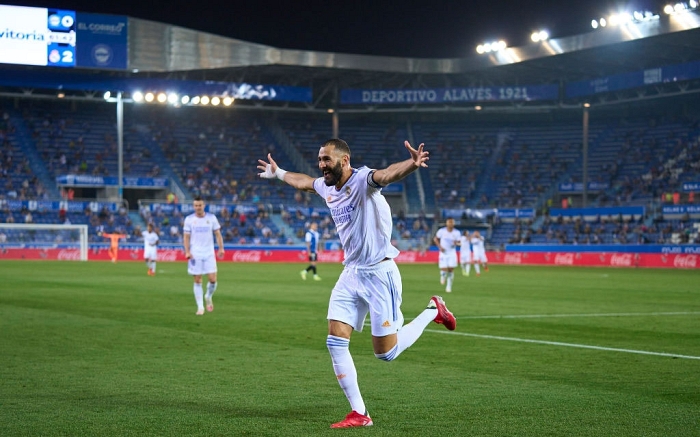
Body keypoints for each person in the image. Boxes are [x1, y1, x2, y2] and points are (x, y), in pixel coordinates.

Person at [257, 139, 456, 428]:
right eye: (320, 159)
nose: (321, 165)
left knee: (385, 353)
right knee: (335, 340)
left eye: (327, 159)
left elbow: (387, 174)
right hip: (351, 273)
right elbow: (304, 183)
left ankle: (433, 310)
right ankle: (360, 413)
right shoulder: (327, 187)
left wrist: (412, 165)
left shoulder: (363, 180)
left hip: (379, 274)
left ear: (344, 160)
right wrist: (278, 172)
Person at [183, 196, 225, 315]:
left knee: (213, 279)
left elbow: (218, 234)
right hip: (195, 253)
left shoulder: (211, 218)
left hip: (209, 253)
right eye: (196, 205)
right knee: (197, 279)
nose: (198, 207)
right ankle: (200, 307)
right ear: (193, 206)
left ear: (204, 206)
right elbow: (186, 237)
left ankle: (208, 296)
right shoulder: (189, 219)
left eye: (200, 205)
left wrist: (221, 248)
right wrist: (187, 251)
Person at [433, 217, 461, 292]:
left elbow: (460, 243)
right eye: (449, 222)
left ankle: (449, 286)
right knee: (444, 268)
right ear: (446, 223)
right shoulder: (441, 231)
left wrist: (456, 243)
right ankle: (443, 276)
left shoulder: (457, 232)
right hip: (443, 253)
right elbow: (435, 239)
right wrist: (440, 247)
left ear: (454, 223)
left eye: (452, 222)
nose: (450, 224)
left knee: (451, 269)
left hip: (452, 252)